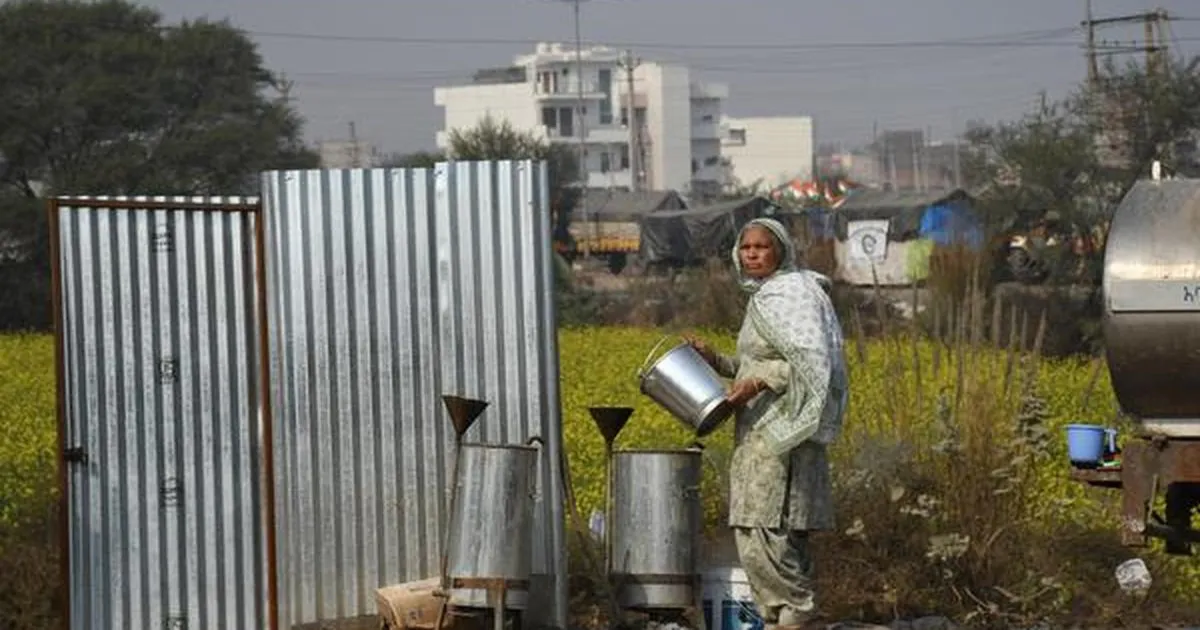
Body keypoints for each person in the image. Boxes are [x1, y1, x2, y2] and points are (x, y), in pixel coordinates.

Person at [686, 217, 848, 630]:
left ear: (781, 251)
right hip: (757, 430)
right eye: (746, 248)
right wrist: (717, 361)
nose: (753, 254)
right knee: (756, 531)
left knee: (770, 530)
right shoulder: (766, 298)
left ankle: (796, 613)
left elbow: (812, 365)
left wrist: (758, 382)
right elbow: (756, 362)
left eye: (762, 247)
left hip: (784, 431)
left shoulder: (794, 295)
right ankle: (779, 617)